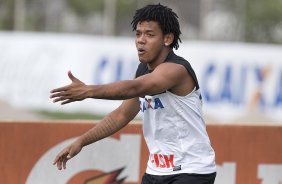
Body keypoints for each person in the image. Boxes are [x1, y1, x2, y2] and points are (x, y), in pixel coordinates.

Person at [50, 3, 216, 184]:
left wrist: (89, 91)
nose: (141, 40)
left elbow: (134, 88)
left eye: (149, 34)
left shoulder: (176, 70)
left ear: (167, 39)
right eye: (138, 34)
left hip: (192, 171)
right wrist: (81, 141)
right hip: (156, 172)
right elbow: (121, 115)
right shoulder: (144, 69)